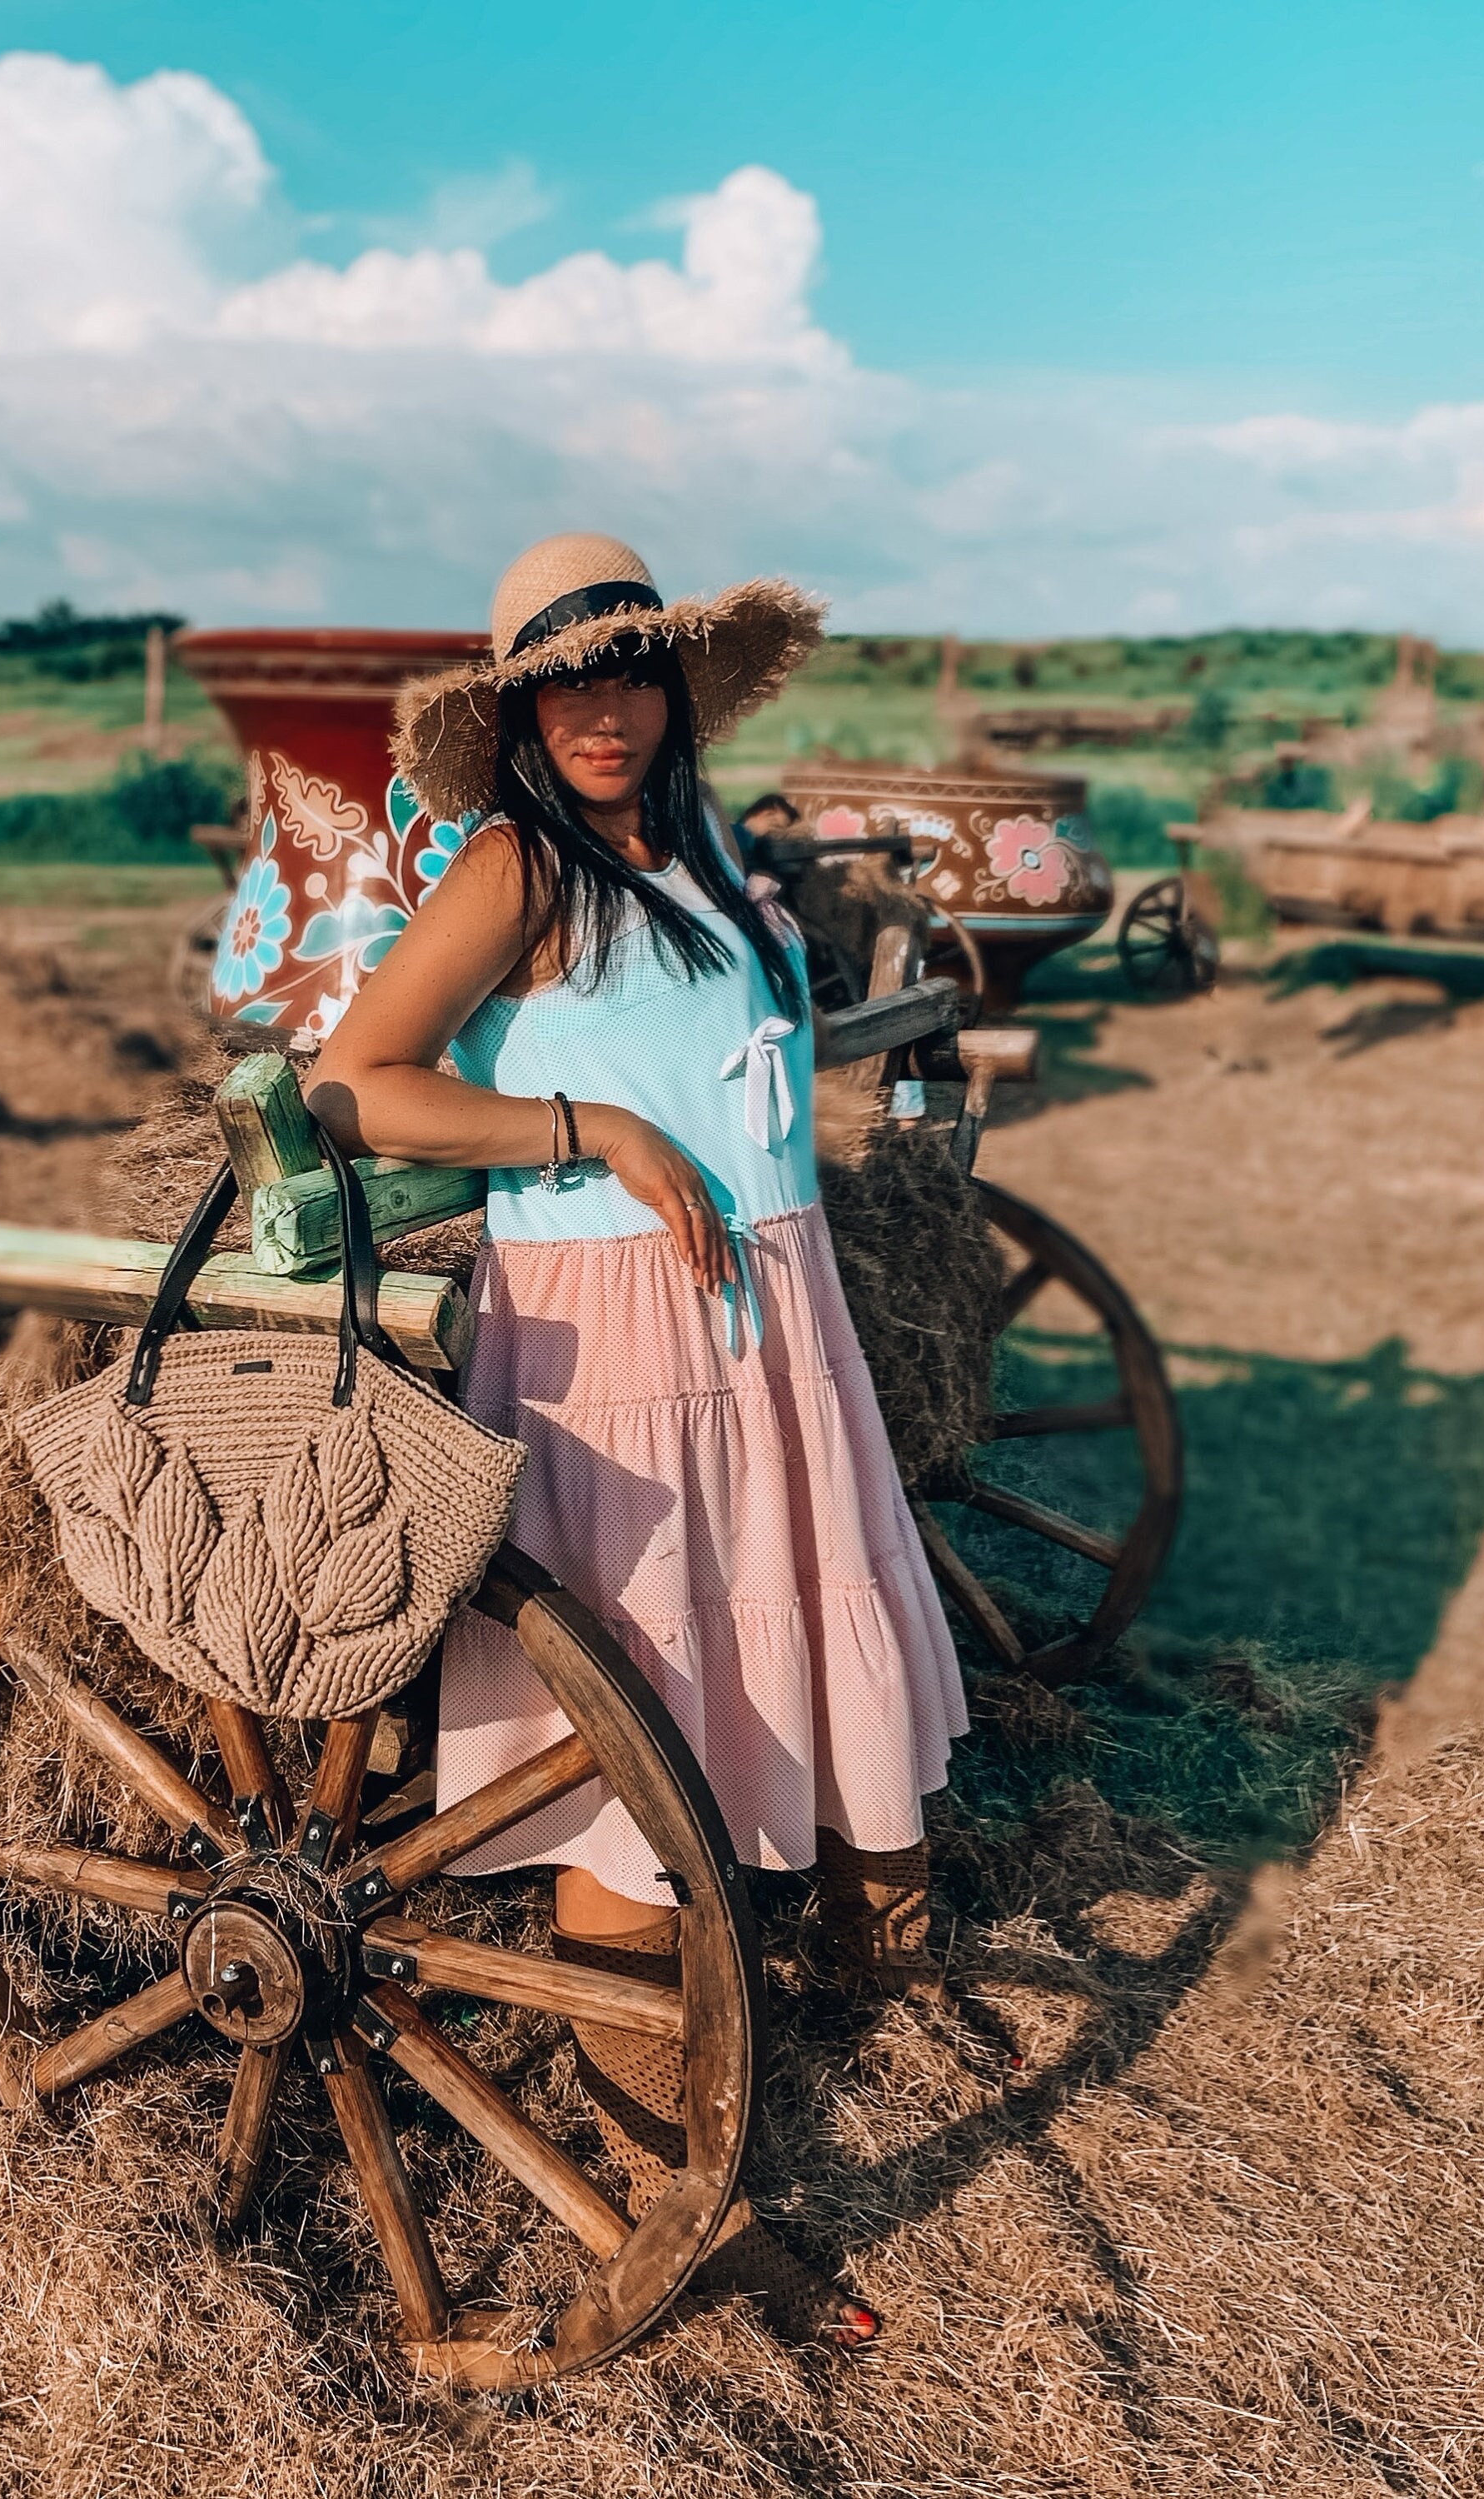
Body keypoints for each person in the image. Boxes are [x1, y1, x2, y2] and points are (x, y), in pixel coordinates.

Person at [310, 533, 967, 2342]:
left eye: (630, 674)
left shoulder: (704, 857)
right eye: (564, 684)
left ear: (675, 688)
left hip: (768, 1324)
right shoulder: (521, 865)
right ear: (520, 710)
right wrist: (581, 1125)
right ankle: (655, 2196)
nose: (601, 709)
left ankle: (800, 1970)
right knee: (632, 1758)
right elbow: (354, 1082)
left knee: (759, 1674)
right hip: (624, 1342)